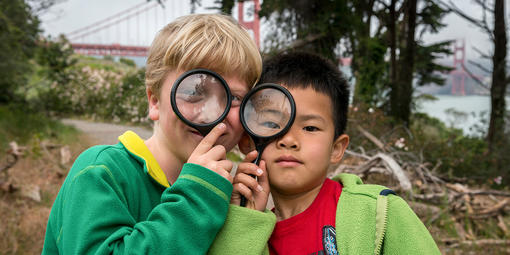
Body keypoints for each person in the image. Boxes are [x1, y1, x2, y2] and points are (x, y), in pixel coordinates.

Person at [42, 14, 263, 254]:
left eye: (233, 98)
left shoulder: (223, 192)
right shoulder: (101, 172)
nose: (211, 114)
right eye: (193, 91)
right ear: (155, 101)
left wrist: (240, 219)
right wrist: (196, 198)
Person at [209, 51, 440, 254]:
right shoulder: (242, 229)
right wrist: (244, 221)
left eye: (310, 128)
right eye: (272, 125)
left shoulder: (379, 213)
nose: (289, 140)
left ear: (336, 148)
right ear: (248, 143)